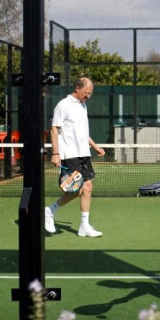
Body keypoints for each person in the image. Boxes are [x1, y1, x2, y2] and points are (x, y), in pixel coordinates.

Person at [45, 77, 106, 238]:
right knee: (76, 189)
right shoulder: (63, 105)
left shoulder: (83, 105)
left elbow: (83, 133)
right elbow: (54, 129)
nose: (88, 96)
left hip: (83, 154)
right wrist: (55, 153)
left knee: (87, 188)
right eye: (86, 93)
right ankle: (49, 211)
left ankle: (84, 226)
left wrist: (95, 146)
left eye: (90, 93)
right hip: (70, 154)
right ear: (77, 88)